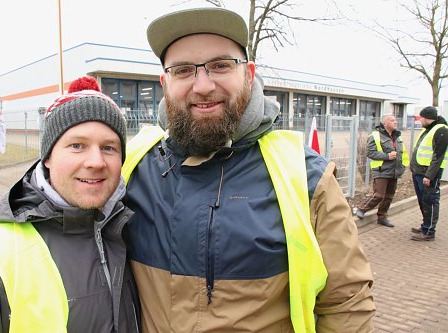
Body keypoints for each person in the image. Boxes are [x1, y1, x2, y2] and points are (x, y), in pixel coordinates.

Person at [122, 7, 375, 332]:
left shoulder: (306, 176)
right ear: (164, 82)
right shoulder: (134, 166)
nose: (202, 85)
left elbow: (347, 303)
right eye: (183, 70)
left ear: (249, 74)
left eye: (220, 66)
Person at [0, 80, 140, 332]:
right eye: (77, 146)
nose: (96, 161)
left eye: (108, 148)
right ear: (48, 156)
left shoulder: (126, 229)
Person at [355, 114, 409, 227]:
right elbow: (370, 153)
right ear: (385, 123)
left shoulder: (397, 136)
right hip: (381, 170)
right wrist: (387, 156)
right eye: (392, 120)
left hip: (395, 171)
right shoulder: (375, 135)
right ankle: (361, 209)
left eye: (395, 120)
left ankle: (382, 217)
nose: (395, 122)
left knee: (389, 196)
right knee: (379, 195)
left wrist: (403, 166)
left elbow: (403, 153)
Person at [410, 106, 448, 241]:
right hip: (419, 172)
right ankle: (425, 226)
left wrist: (429, 176)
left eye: (421, 118)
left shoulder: (441, 131)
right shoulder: (429, 129)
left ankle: (429, 232)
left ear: (426, 118)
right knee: (424, 201)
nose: (420, 120)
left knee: (430, 201)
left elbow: (438, 156)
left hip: (428, 174)